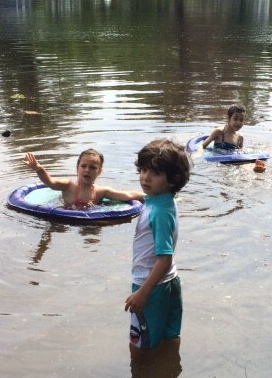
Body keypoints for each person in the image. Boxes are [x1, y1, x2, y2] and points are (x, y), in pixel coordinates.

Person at [124, 139, 191, 350]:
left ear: (173, 180)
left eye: (155, 173)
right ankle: (167, 376)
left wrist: (143, 292)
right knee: (169, 336)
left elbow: (164, 257)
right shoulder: (161, 200)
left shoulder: (160, 212)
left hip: (150, 284)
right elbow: (143, 198)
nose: (145, 177)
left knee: (140, 345)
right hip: (169, 282)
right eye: (143, 170)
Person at [23, 149, 144, 209]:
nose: (87, 170)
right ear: (77, 168)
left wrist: (150, 196)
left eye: (92, 167)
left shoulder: (101, 192)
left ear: (99, 171)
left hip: (89, 218)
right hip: (64, 216)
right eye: (83, 166)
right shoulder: (68, 186)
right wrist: (39, 169)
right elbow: (50, 182)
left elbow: (127, 195)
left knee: (95, 233)